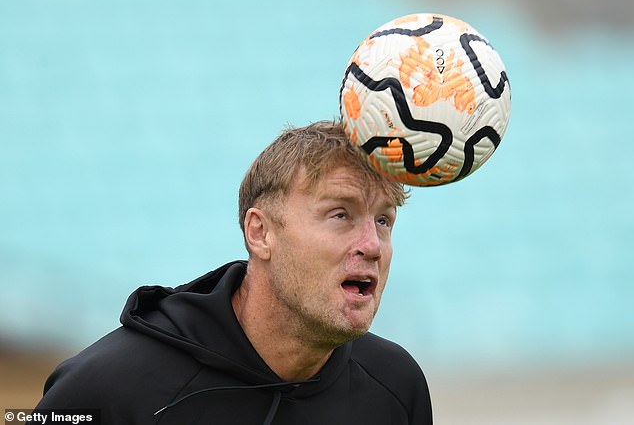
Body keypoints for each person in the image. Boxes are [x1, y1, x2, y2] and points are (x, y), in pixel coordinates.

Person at [31, 120, 433, 424]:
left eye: (383, 220)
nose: (372, 245)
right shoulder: (106, 386)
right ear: (260, 233)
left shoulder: (396, 386)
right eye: (340, 214)